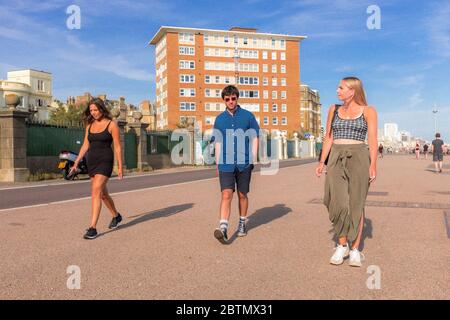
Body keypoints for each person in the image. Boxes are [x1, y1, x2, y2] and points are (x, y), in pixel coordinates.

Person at [316, 76, 377, 267]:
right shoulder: (333, 109)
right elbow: (328, 137)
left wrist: (373, 164)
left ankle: (355, 250)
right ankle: (341, 245)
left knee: (356, 203)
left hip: (359, 156)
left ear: (352, 91)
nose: (337, 91)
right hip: (335, 157)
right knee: (336, 202)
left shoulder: (369, 111)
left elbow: (373, 140)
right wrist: (321, 162)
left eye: (341, 88)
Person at [212, 85, 260, 244]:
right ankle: (223, 228)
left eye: (233, 98)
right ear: (224, 100)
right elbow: (218, 142)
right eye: (227, 99)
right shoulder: (219, 119)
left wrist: (252, 158)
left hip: (244, 162)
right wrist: (218, 163)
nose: (231, 101)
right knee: (226, 194)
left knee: (242, 194)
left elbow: (255, 138)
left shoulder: (248, 116)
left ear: (237, 98)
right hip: (225, 162)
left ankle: (242, 223)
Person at [70, 98, 124, 239]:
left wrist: (119, 167)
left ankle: (92, 228)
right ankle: (116, 216)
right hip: (92, 161)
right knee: (103, 194)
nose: (93, 113)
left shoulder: (111, 125)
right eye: (91, 110)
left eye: (95, 110)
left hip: (105, 161)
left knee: (95, 192)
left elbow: (117, 147)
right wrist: (76, 162)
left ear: (101, 109)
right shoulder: (90, 125)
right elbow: (85, 145)